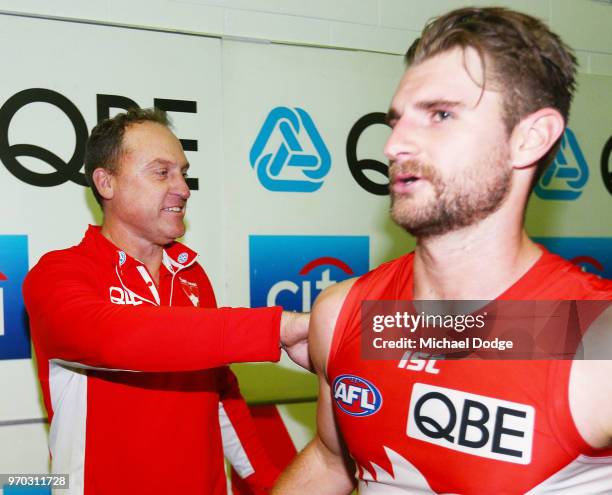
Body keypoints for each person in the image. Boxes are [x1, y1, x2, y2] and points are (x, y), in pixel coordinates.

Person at [273, 7, 612, 494]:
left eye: (440, 115)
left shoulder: (595, 339)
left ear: (529, 138)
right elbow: (331, 461)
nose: (394, 144)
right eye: (397, 120)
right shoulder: (345, 313)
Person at [23, 108, 309, 495]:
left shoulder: (191, 275)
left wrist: (271, 486)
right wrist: (277, 327)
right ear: (106, 183)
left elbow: (222, 394)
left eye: (183, 172)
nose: (184, 188)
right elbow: (115, 339)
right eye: (162, 172)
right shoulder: (58, 274)